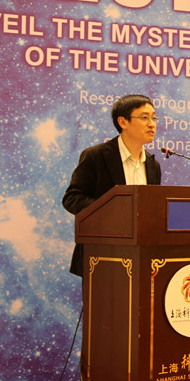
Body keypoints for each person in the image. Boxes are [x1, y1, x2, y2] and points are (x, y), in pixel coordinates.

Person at [62, 94, 162, 276]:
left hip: (140, 257)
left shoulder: (153, 165)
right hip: (101, 256)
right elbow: (72, 198)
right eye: (144, 117)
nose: (152, 124)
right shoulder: (96, 156)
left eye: (154, 118)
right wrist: (112, 211)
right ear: (123, 122)